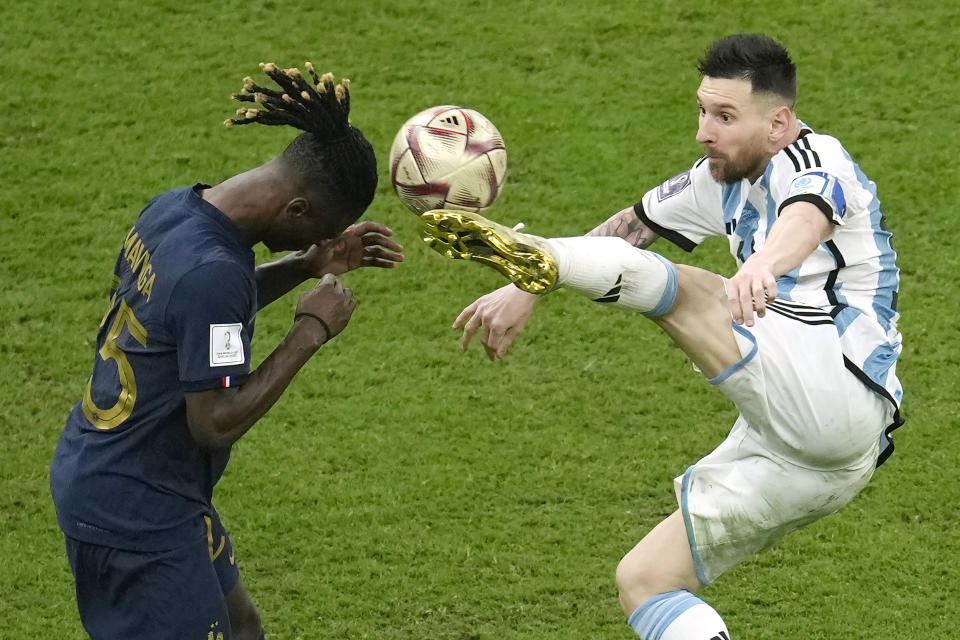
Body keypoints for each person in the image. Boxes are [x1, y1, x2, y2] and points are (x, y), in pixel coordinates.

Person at [420, 34, 902, 639]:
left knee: (686, 289)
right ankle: (541, 261)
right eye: (703, 110)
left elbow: (807, 213)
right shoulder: (715, 180)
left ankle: (544, 256)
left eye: (725, 116)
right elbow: (629, 230)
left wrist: (762, 264)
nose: (705, 130)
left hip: (837, 382)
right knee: (646, 580)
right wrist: (526, 290)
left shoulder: (817, 158)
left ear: (779, 122)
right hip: (804, 456)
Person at [50, 61, 403, 640]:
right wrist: (309, 332)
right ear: (295, 209)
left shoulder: (176, 210)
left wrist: (304, 264)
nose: (320, 243)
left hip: (132, 476)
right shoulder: (214, 273)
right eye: (318, 233)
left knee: (242, 627)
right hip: (134, 509)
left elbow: (191, 315)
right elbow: (214, 422)